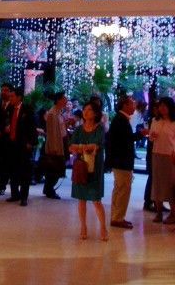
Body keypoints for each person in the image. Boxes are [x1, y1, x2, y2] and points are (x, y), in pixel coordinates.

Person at [69, 101, 108, 241]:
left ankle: (103, 227)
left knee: (96, 200)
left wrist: (81, 147)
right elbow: (71, 147)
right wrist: (84, 148)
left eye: (89, 110)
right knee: (81, 199)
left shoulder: (100, 129)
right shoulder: (79, 129)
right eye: (84, 109)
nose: (85, 112)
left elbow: (96, 145)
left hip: (95, 168)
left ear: (96, 113)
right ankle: (83, 226)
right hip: (81, 167)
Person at [106, 94, 138, 229]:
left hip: (119, 161)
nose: (134, 106)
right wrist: (141, 134)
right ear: (125, 105)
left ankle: (116, 216)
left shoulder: (120, 119)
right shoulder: (121, 120)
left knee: (119, 189)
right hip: (122, 161)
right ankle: (118, 218)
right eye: (132, 104)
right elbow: (126, 140)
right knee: (123, 189)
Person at [5, 87, 37, 206]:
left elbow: (33, 127)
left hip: (23, 145)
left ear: (19, 97)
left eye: (12, 96)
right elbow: (7, 121)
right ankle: (14, 194)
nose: (10, 98)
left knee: (24, 172)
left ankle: (24, 197)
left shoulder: (27, 109)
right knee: (12, 170)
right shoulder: (9, 108)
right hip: (12, 144)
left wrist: (30, 142)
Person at [148, 96, 175, 224]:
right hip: (157, 154)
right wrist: (151, 136)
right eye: (161, 106)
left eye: (165, 106)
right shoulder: (155, 120)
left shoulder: (173, 122)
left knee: (170, 185)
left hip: (170, 156)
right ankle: (158, 213)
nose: (162, 108)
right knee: (157, 184)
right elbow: (150, 138)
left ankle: (173, 214)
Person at [43, 91, 67, 199]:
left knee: (56, 169)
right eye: (64, 98)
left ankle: (48, 189)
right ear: (58, 100)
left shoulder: (59, 112)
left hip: (61, 142)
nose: (66, 100)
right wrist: (54, 147)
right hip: (55, 145)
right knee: (54, 169)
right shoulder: (52, 113)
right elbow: (51, 133)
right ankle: (49, 190)